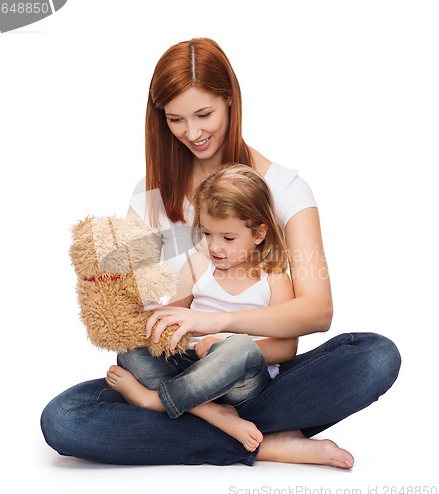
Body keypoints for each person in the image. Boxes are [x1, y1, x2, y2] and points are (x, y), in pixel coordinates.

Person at [40, 37, 401, 468]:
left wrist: (218, 323)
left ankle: (194, 423)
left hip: (254, 371)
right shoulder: (149, 196)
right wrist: (103, 277)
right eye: (175, 119)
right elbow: (132, 308)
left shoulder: (286, 190)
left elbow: (317, 312)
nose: (192, 133)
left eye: (204, 114)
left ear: (230, 100)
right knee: (64, 419)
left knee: (375, 355)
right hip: (175, 369)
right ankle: (260, 440)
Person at [106, 164, 299, 453]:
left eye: (228, 238)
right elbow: (170, 319)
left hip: (240, 380)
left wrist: (223, 345)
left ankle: (155, 401)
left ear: (259, 233)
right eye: (207, 234)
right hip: (192, 367)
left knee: (241, 348)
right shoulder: (197, 265)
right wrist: (140, 317)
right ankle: (211, 413)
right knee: (130, 350)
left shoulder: (273, 277)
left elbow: (286, 349)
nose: (215, 247)